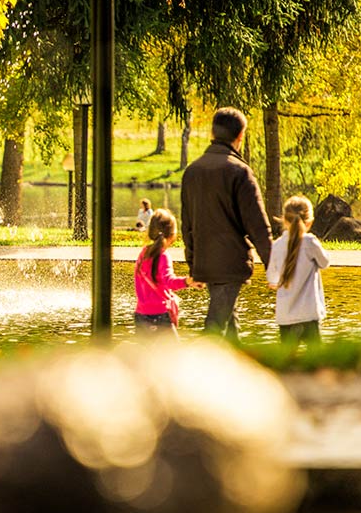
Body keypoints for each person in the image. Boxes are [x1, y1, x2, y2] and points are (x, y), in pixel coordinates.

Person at [181, 107, 272, 343]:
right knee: (214, 326)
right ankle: (194, 370)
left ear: (212, 132)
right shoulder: (240, 172)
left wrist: (193, 264)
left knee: (230, 326)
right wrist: (274, 267)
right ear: (240, 136)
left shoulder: (192, 172)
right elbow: (258, 227)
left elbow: (187, 225)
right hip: (231, 263)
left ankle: (238, 367)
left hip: (205, 261)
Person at [265, 196, 329, 347]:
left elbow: (272, 279)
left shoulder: (277, 245)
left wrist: (276, 282)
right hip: (309, 313)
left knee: (287, 360)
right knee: (316, 358)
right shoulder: (310, 242)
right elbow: (325, 263)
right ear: (309, 222)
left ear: (284, 220)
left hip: (285, 315)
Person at [134, 209, 203, 336]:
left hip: (141, 314)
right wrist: (188, 281)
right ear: (172, 235)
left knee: (146, 354)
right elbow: (169, 281)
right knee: (173, 354)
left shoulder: (143, 253)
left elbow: (138, 282)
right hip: (159, 315)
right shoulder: (163, 255)